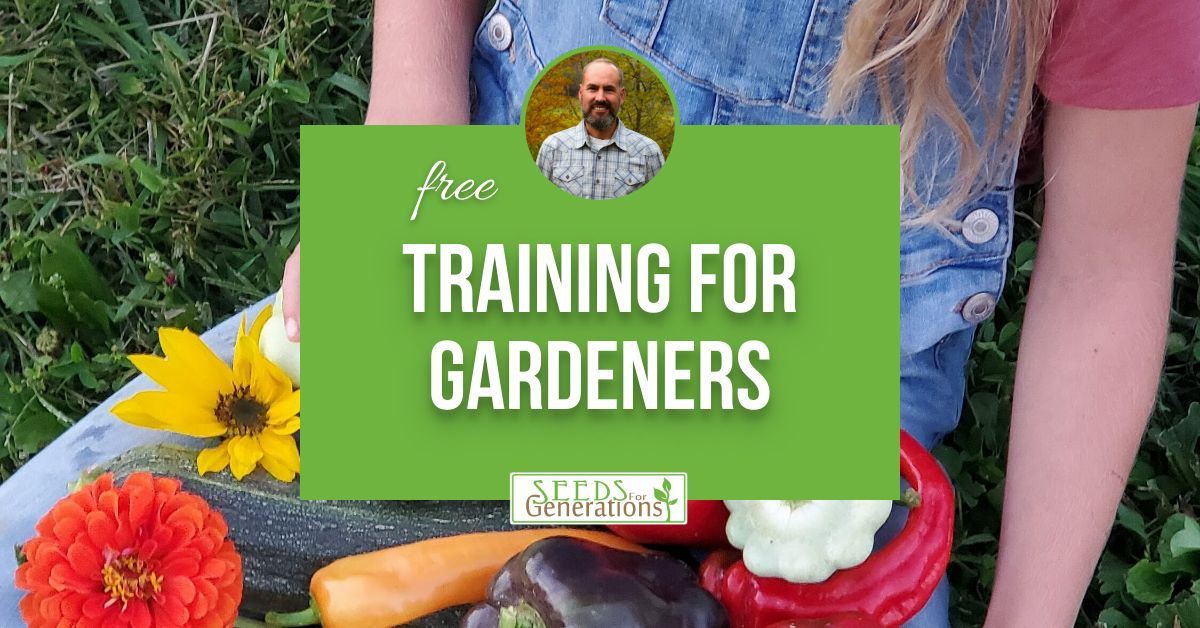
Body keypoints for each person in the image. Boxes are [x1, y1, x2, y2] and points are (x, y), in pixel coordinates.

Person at [353, 1, 1200, 626]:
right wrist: (407, 147)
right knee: (237, 518)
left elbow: (1105, 272)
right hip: (521, 261)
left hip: (815, 393)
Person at [534, 57, 665, 200]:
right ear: (580, 94)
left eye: (609, 90)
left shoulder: (649, 152)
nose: (600, 97)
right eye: (593, 88)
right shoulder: (552, 148)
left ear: (621, 96)